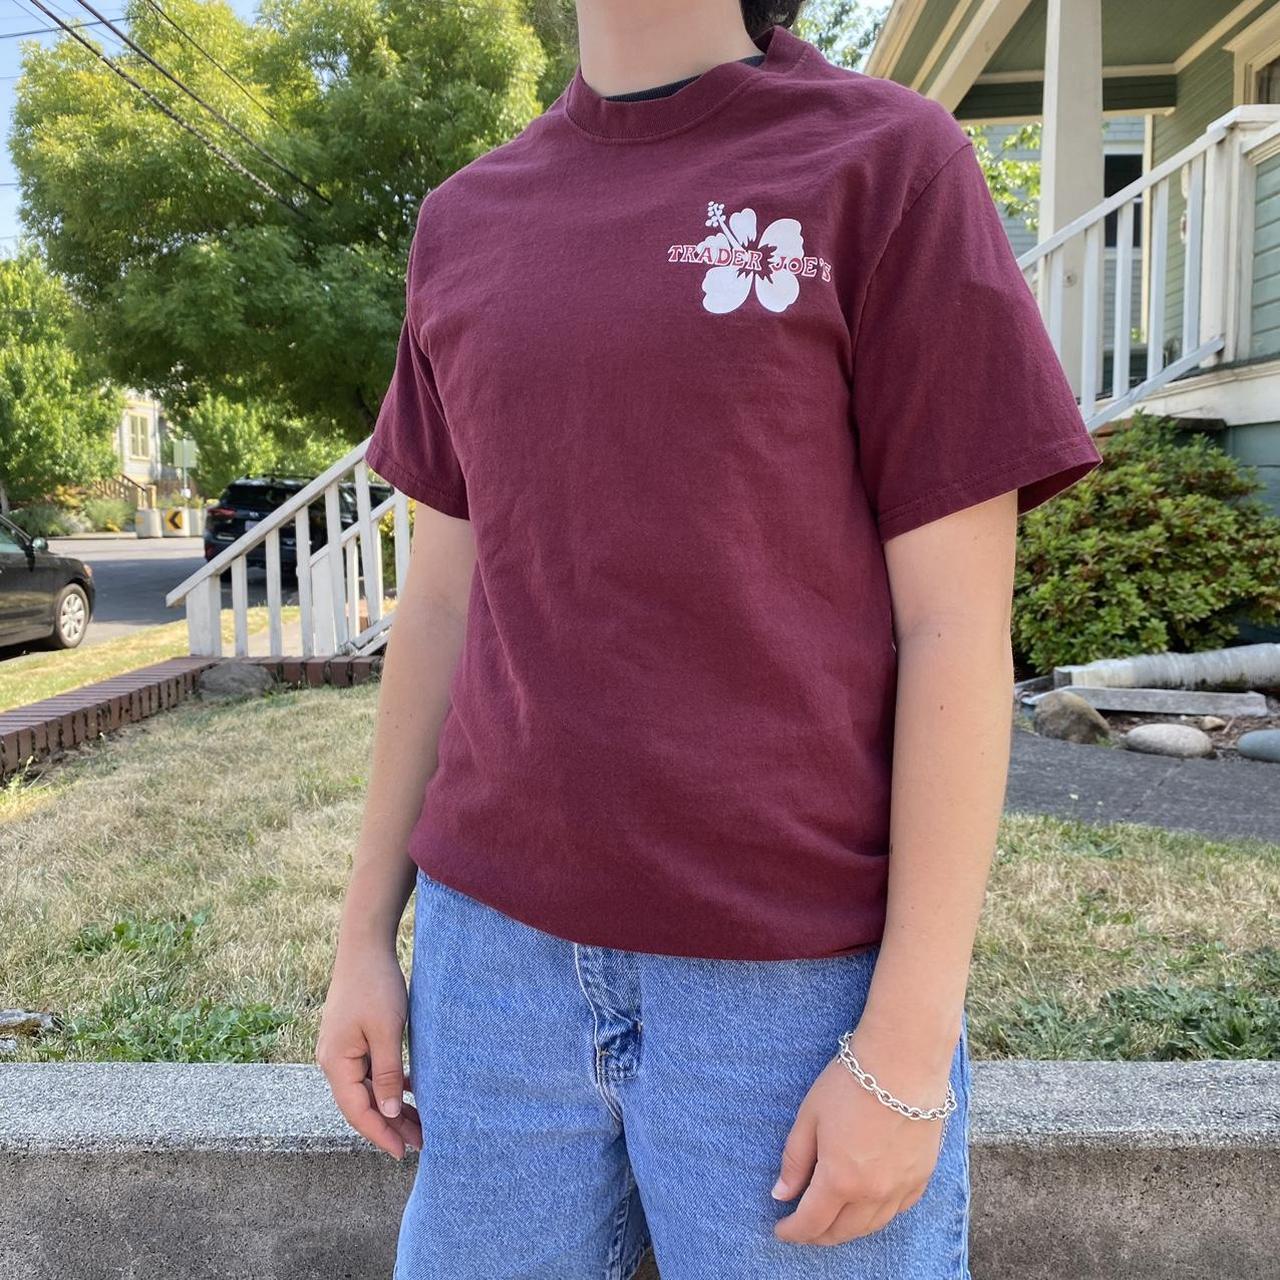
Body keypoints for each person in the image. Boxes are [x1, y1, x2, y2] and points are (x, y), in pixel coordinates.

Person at [316, 1, 1103, 1276]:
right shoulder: (466, 218)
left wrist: (906, 1038)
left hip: (789, 984)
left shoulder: (885, 165)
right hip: (492, 963)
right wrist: (365, 932)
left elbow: (953, 624)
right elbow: (445, 601)